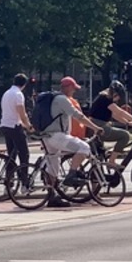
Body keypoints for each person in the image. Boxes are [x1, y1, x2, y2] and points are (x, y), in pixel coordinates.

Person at [38, 76, 103, 208]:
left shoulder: (54, 99)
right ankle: (71, 174)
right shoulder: (62, 100)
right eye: (73, 89)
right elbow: (78, 116)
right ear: (67, 88)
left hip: (47, 136)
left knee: (53, 168)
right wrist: (95, 128)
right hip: (57, 136)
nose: (74, 92)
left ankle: (52, 197)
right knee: (84, 148)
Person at [88, 80, 132, 170]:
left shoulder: (103, 97)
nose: (118, 99)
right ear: (114, 93)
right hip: (100, 127)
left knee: (99, 157)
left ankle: (96, 180)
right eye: (118, 96)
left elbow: (114, 114)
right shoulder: (105, 98)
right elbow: (120, 112)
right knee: (125, 135)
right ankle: (112, 161)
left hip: (96, 126)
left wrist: (127, 123)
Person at [0, 74, 33, 182]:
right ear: (24, 84)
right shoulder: (18, 94)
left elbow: (11, 113)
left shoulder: (7, 93)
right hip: (14, 126)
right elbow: (22, 113)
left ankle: (9, 180)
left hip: (5, 125)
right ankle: (24, 181)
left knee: (11, 155)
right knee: (24, 154)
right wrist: (29, 126)